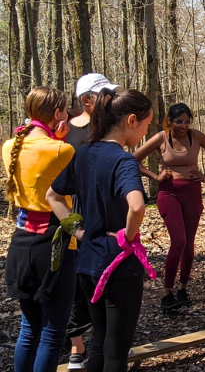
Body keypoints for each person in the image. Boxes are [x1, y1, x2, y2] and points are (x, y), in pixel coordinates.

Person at [47, 88, 154, 372]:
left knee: (99, 347)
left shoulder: (84, 153)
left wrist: (78, 232)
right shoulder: (124, 160)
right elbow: (137, 206)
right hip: (118, 267)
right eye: (146, 125)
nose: (145, 132)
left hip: (88, 263)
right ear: (131, 120)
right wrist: (127, 238)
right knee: (116, 354)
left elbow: (52, 196)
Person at [3, 87, 76, 372]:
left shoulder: (11, 145)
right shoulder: (63, 149)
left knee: (28, 328)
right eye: (65, 109)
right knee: (52, 332)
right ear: (57, 114)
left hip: (21, 242)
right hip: (55, 243)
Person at [133, 103, 205, 310]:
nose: (183, 125)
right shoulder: (161, 137)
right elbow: (133, 159)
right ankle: (167, 292)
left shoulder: (196, 136)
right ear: (170, 122)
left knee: (189, 242)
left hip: (192, 192)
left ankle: (183, 288)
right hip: (169, 193)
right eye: (178, 121)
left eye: (187, 121)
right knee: (178, 240)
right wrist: (156, 176)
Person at [63, 73, 122, 370]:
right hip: (72, 221)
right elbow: (55, 187)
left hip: (105, 223)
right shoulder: (66, 132)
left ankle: (104, 347)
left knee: (104, 289)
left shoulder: (112, 128)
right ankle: (76, 347)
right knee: (75, 287)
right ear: (87, 99)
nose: (110, 99)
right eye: (105, 94)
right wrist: (73, 227)